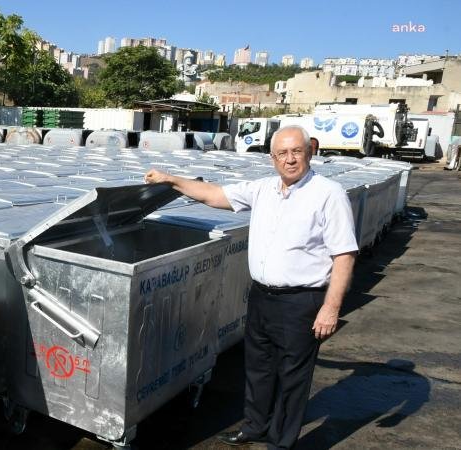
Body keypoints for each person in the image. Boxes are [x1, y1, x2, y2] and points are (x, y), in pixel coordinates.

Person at [144, 125, 358, 449]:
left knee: (292, 377)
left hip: (301, 302)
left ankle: (281, 442)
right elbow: (215, 195)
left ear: (309, 153)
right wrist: (171, 180)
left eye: (296, 152)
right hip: (261, 297)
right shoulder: (263, 189)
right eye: (282, 153)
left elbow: (344, 255)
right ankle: (255, 427)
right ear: (272, 158)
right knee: (258, 368)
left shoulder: (329, 194)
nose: (289, 160)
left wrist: (331, 308)